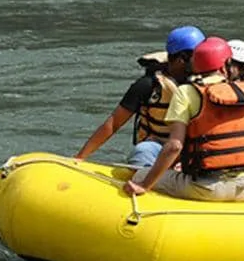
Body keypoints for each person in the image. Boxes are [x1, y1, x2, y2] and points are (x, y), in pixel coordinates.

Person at [124, 37, 244, 202]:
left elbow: (175, 146)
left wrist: (145, 185)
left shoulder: (186, 92)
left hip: (207, 188)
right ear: (225, 65)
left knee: (140, 174)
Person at [76, 25, 205, 166]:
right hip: (158, 147)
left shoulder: (208, 84)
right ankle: (145, 175)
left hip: (194, 150)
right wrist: (79, 159)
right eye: (199, 57)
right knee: (143, 151)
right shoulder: (148, 85)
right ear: (182, 59)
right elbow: (114, 123)